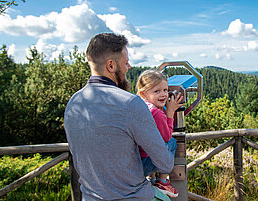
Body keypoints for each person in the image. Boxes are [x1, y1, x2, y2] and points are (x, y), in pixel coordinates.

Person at [64, 33, 174, 201]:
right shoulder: (130, 103)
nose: (128, 67)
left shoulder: (74, 103)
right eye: (125, 62)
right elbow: (165, 163)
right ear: (111, 65)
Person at [136, 70, 185, 198]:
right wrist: (170, 112)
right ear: (143, 93)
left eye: (165, 90)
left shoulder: (140, 107)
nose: (163, 94)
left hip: (135, 162)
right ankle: (163, 181)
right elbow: (166, 137)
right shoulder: (157, 113)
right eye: (156, 91)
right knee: (172, 143)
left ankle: (152, 179)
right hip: (146, 163)